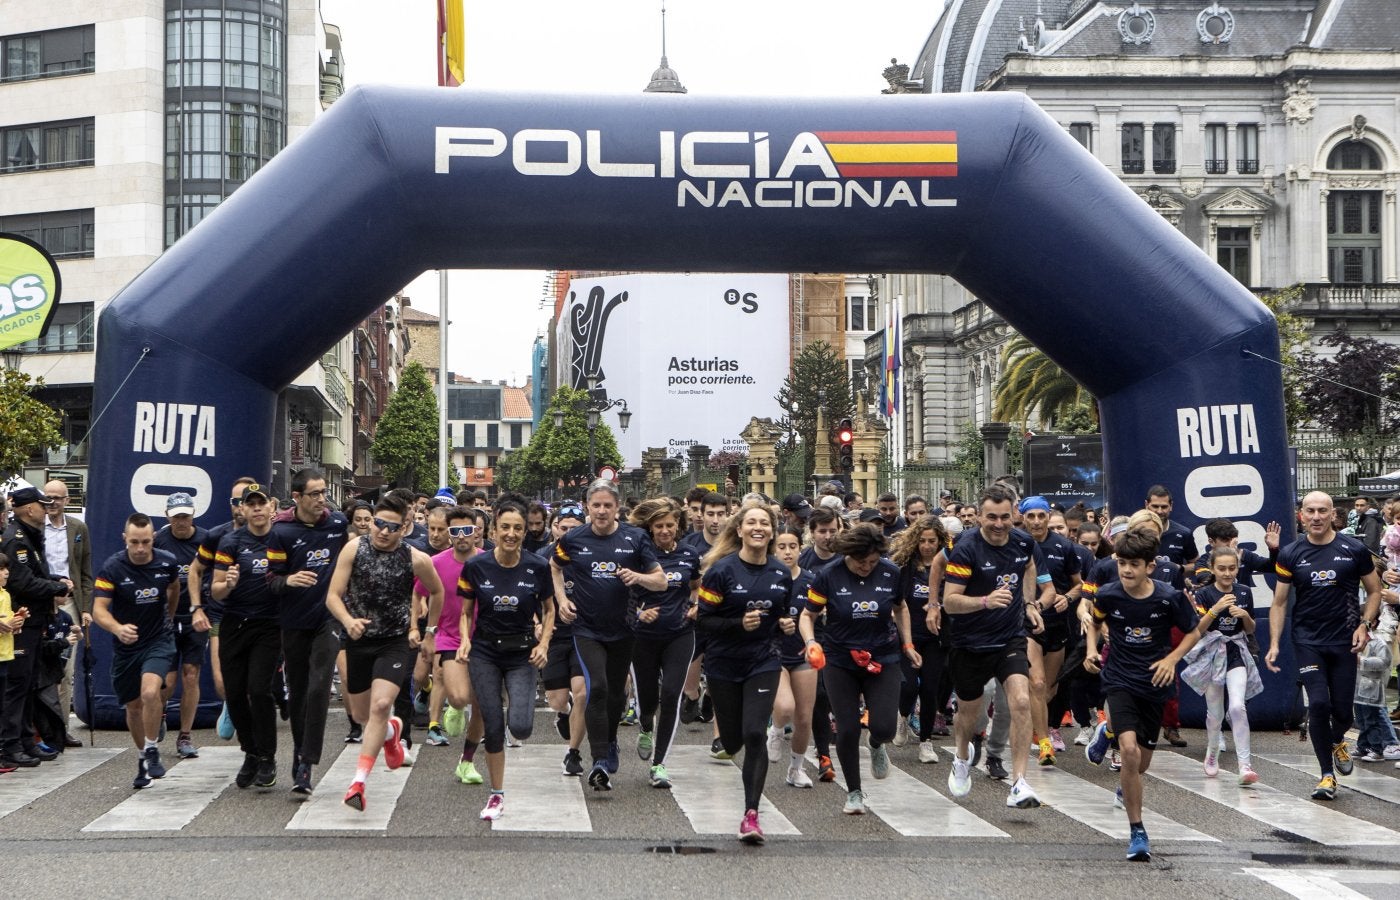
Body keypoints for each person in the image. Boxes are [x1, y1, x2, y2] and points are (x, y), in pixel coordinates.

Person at [1081, 528, 1202, 861]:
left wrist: (1172, 659)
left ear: (1150, 566)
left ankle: (1108, 735)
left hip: (1155, 684)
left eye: (1134, 564)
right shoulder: (1108, 594)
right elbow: (1094, 621)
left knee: (1141, 764)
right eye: (1122, 563)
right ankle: (1137, 831)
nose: (1127, 570)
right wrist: (1092, 649)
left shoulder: (1168, 597)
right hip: (1119, 680)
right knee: (1130, 752)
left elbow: (1194, 632)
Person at [327, 493, 443, 811]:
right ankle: (392, 731)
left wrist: (429, 631)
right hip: (360, 638)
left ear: (404, 527)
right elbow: (333, 596)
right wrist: (348, 620)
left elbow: (437, 591)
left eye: (391, 527)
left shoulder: (416, 558)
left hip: (394, 641)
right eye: (378, 523)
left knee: (380, 705)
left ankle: (358, 783)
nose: (382, 531)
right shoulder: (354, 548)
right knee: (363, 715)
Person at [1267, 490, 1383, 800]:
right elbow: (1278, 603)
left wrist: (1365, 625)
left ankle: (1335, 740)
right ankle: (1326, 776)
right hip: (1307, 640)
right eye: (1310, 511)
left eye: (1322, 511)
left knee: (1344, 714)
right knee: (1318, 703)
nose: (1316, 516)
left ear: (1333, 514)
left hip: (1345, 640)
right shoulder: (1291, 553)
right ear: (1301, 515)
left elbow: (1375, 591)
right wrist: (1275, 642)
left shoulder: (1354, 549)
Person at [553, 480, 665, 790]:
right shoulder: (573, 539)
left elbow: (660, 581)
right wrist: (563, 601)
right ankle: (599, 760)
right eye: (596, 505)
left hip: (625, 628)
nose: (601, 510)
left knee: (616, 694)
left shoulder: (635, 537)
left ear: (617, 508)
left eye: (607, 505)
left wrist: (638, 576)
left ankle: (612, 740)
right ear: (587, 507)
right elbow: (555, 566)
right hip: (586, 628)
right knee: (596, 688)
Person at [941, 484, 1048, 810]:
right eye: (991, 517)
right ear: (980, 517)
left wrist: (1029, 604)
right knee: (969, 715)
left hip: (1010, 638)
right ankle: (961, 756)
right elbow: (950, 603)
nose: (999, 524)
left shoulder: (1023, 541)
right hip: (970, 642)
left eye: (1005, 517)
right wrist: (986, 601)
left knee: (1020, 700)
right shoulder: (965, 549)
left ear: (1013, 514)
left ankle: (1019, 782)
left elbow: (1028, 566)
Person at [801, 523, 917, 815]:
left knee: (884, 727)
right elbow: (807, 615)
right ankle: (854, 792)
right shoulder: (829, 575)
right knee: (848, 729)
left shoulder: (891, 573)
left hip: (883, 656)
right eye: (861, 562)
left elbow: (901, 608)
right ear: (848, 555)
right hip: (840, 659)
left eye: (873, 562)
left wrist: (908, 645)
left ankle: (877, 744)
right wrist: (811, 642)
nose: (867, 566)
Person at [697, 499, 794, 845]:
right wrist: (738, 622)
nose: (758, 528)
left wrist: (786, 624)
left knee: (755, 734)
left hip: (763, 660)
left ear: (771, 531)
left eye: (764, 523)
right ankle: (713, 703)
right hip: (724, 662)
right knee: (734, 740)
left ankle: (751, 814)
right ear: (739, 530)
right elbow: (704, 619)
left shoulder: (781, 573)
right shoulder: (721, 571)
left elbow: (784, 614)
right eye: (751, 522)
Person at [456, 498, 554, 822]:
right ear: (494, 530)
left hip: (522, 653)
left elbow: (550, 609)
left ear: (525, 532)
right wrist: (466, 640)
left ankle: (517, 716)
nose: (511, 534)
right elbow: (466, 612)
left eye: (518, 529)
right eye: (505, 528)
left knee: (522, 727)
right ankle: (497, 795)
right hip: (485, 652)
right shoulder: (476, 566)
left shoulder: (537, 567)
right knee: (494, 726)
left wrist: (544, 642)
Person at [266, 468, 348, 795]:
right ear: (297, 497)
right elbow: (271, 580)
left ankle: (308, 762)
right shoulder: (281, 532)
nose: (321, 500)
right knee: (299, 694)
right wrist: (290, 580)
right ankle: (300, 757)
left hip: (328, 619)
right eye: (314, 494)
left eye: (324, 492)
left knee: (319, 688)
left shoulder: (338, 523)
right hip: (294, 623)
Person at [92, 513, 181, 789]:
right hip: (127, 646)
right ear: (125, 540)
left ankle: (153, 748)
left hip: (158, 639)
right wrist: (118, 629)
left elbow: (174, 589)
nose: (141, 549)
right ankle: (142, 758)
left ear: (153, 538)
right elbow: (98, 610)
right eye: (134, 542)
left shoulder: (167, 562)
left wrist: (169, 617)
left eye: (146, 542)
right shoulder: (112, 568)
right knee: (132, 707)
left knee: (150, 692)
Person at [211, 482, 283, 789]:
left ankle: (267, 757)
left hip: (269, 625)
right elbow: (215, 589)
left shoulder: (283, 540)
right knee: (235, 692)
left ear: (271, 507)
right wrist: (227, 583)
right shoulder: (230, 543)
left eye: (260, 502)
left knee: (259, 689)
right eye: (249, 503)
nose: (255, 508)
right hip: (235, 623)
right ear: (242, 508)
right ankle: (250, 752)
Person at [627, 498, 701, 789]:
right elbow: (622, 593)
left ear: (678, 526)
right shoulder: (639, 556)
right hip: (642, 638)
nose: (665, 530)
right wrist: (638, 613)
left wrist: (695, 606)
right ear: (650, 528)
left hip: (680, 634)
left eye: (670, 525)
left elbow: (695, 586)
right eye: (659, 525)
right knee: (648, 700)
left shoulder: (689, 554)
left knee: (671, 694)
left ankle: (659, 764)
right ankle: (646, 724)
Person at [0, 486, 72, 768]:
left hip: (33, 621)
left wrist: (56, 580)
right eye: (43, 506)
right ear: (30, 509)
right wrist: (55, 587)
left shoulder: (28, 537)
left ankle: (26, 741)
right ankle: (10, 745)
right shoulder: (15, 540)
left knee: (28, 684)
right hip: (20, 623)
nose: (47, 510)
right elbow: (22, 582)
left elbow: (32, 574)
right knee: (16, 686)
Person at [1180, 547, 1264, 783]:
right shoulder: (1205, 594)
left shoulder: (1244, 592)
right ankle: (1212, 750)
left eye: (1232, 568)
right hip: (1212, 653)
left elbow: (1250, 629)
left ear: (1238, 568)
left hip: (1237, 651)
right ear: (1213, 569)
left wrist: (1244, 616)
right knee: (1215, 713)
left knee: (1237, 707)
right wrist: (1215, 610)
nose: (1227, 573)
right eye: (1222, 569)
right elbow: (1198, 629)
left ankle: (1245, 765)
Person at [190, 476, 257, 741]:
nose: (240, 506)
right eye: (235, 501)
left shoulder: (270, 534)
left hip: (258, 617)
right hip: (221, 614)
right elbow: (195, 571)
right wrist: (197, 608)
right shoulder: (217, 535)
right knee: (222, 680)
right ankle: (231, 704)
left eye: (246, 500)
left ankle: (250, 725)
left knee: (254, 680)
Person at [1018, 496, 1084, 764]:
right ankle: (1045, 743)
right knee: (1037, 683)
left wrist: (1066, 598)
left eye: (1041, 516)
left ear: (1048, 517)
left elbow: (1079, 585)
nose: (1036, 521)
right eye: (1031, 516)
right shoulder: (1017, 544)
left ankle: (1036, 725)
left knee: (1049, 690)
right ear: (1023, 517)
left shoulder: (1064, 547)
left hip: (1058, 623)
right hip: (1028, 623)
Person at [154, 492, 210, 760]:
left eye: (185, 516)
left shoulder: (206, 540)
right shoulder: (158, 540)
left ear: (193, 514)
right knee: (167, 681)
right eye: (176, 516)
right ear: (168, 516)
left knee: (191, 675)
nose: (181, 522)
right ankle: (162, 712)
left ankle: (185, 736)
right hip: (167, 620)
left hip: (194, 617)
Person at [891, 514, 950, 763]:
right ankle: (902, 716)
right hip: (909, 635)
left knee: (929, 689)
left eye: (932, 541)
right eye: (923, 540)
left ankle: (925, 741)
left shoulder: (950, 566)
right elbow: (897, 603)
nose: (927, 546)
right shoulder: (905, 566)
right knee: (909, 685)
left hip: (936, 637)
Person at [540, 504, 590, 776]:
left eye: (575, 528)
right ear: (553, 528)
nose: (568, 533)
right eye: (563, 528)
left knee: (582, 692)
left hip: (584, 634)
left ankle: (573, 753)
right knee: (558, 700)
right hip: (554, 635)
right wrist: (537, 625)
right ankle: (563, 713)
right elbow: (530, 597)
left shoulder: (590, 554)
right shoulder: (541, 558)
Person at [41, 480, 91, 749]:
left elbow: (85, 572)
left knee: (66, 668)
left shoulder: (78, 528)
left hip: (70, 603)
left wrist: (85, 608)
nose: (52, 503)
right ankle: (41, 731)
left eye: (57, 498)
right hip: (42, 603)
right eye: (48, 498)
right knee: (40, 665)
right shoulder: (35, 528)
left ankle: (61, 729)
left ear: (67, 499)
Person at [767, 524, 818, 788]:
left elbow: (819, 615)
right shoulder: (767, 577)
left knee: (804, 717)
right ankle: (775, 730)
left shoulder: (811, 581)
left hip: (803, 654)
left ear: (801, 548)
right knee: (786, 707)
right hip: (773, 654)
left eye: (793, 547)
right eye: (782, 547)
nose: (787, 552)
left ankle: (796, 769)